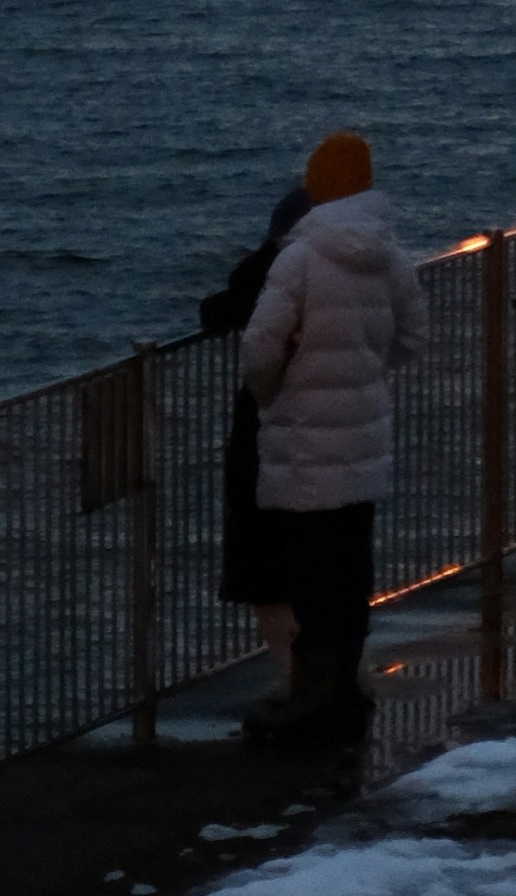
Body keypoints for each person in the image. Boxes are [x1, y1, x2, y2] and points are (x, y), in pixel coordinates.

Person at [238, 129, 426, 743]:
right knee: (350, 567)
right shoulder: (389, 255)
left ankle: (310, 702)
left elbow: (259, 346)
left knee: (308, 570)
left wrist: (274, 394)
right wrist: (364, 372)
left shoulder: (300, 257)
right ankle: (344, 689)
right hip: (361, 442)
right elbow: (413, 338)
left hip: (303, 444)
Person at [200, 178, 313, 708]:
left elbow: (231, 316)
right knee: (326, 557)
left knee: (263, 560)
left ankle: (292, 682)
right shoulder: (365, 268)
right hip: (339, 440)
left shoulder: (272, 272)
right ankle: (338, 678)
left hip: (272, 435)